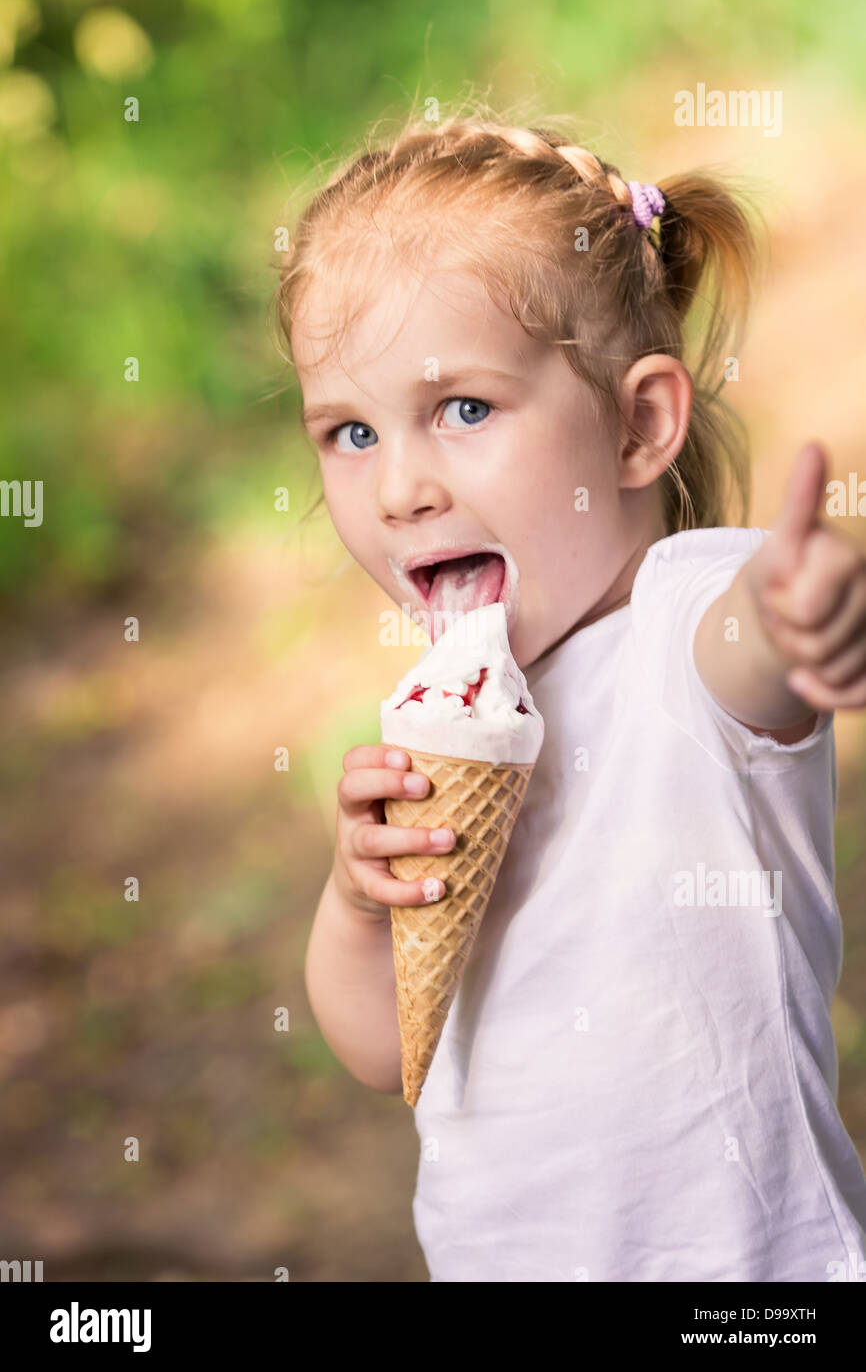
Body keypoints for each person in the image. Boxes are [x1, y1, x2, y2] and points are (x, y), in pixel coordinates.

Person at [282, 103, 866, 1281]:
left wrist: (799, 610)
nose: (397, 489)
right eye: (348, 431)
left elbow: (744, 643)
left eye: (461, 409)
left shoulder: (678, 627)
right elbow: (384, 1049)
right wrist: (356, 906)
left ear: (638, 423)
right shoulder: (447, 719)